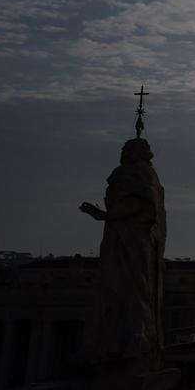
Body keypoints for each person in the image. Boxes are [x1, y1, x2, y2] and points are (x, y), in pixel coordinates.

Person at [79, 138, 166, 373]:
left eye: (125, 149)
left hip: (132, 241)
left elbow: (141, 205)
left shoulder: (140, 174)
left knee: (131, 288)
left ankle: (134, 341)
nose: (121, 152)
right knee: (117, 288)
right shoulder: (133, 173)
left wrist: (103, 215)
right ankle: (117, 341)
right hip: (121, 239)